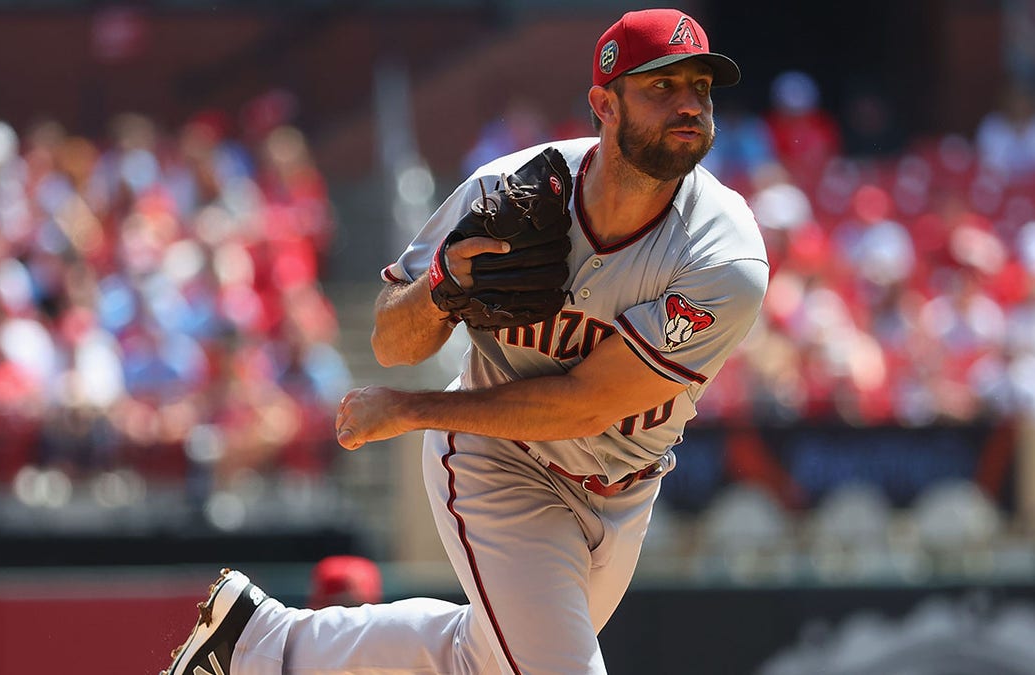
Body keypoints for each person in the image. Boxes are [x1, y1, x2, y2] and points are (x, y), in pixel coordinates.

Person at [161, 8, 769, 675]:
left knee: (481, 658)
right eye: (662, 86)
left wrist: (411, 409)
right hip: (500, 461)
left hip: (625, 486)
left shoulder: (723, 253)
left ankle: (262, 643)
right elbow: (391, 340)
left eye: (700, 87)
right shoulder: (506, 194)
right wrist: (442, 285)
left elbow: (588, 405)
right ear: (604, 104)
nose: (689, 104)